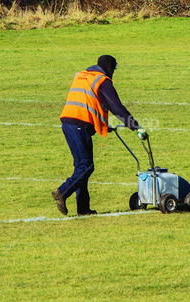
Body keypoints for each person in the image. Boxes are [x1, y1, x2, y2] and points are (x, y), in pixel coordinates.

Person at [52, 55, 147, 216]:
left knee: (81, 167)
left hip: (68, 123)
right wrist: (135, 127)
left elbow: (88, 102)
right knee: (86, 166)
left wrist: (102, 125)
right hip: (79, 125)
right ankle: (62, 192)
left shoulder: (83, 75)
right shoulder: (102, 80)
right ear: (109, 68)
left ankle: (83, 209)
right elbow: (116, 107)